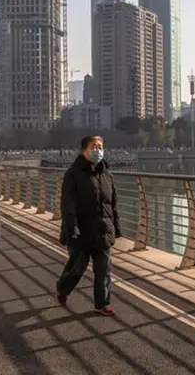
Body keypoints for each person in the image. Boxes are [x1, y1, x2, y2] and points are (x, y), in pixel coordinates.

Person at [56, 135, 122, 316]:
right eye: (94, 146)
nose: (98, 150)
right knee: (78, 267)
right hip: (81, 230)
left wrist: (116, 227)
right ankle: (63, 288)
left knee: (104, 270)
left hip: (103, 230)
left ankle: (102, 303)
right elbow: (67, 203)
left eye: (100, 147)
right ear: (84, 150)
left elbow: (112, 203)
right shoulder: (73, 173)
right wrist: (72, 227)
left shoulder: (107, 174)